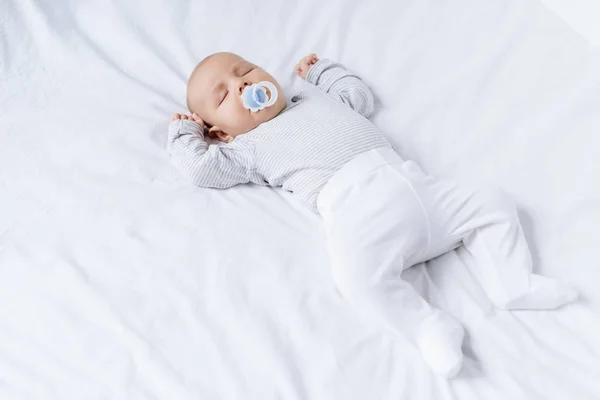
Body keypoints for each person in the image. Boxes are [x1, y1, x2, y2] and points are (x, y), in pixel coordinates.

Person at [167, 52, 578, 378]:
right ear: (220, 132)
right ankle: (427, 327)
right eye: (224, 96)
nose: (242, 83)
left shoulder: (307, 100)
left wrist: (321, 72)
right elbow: (202, 169)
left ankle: (511, 283)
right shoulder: (247, 148)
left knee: (492, 201)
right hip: (358, 213)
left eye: (246, 70)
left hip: (415, 186)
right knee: (356, 279)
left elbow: (358, 99)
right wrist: (186, 132)